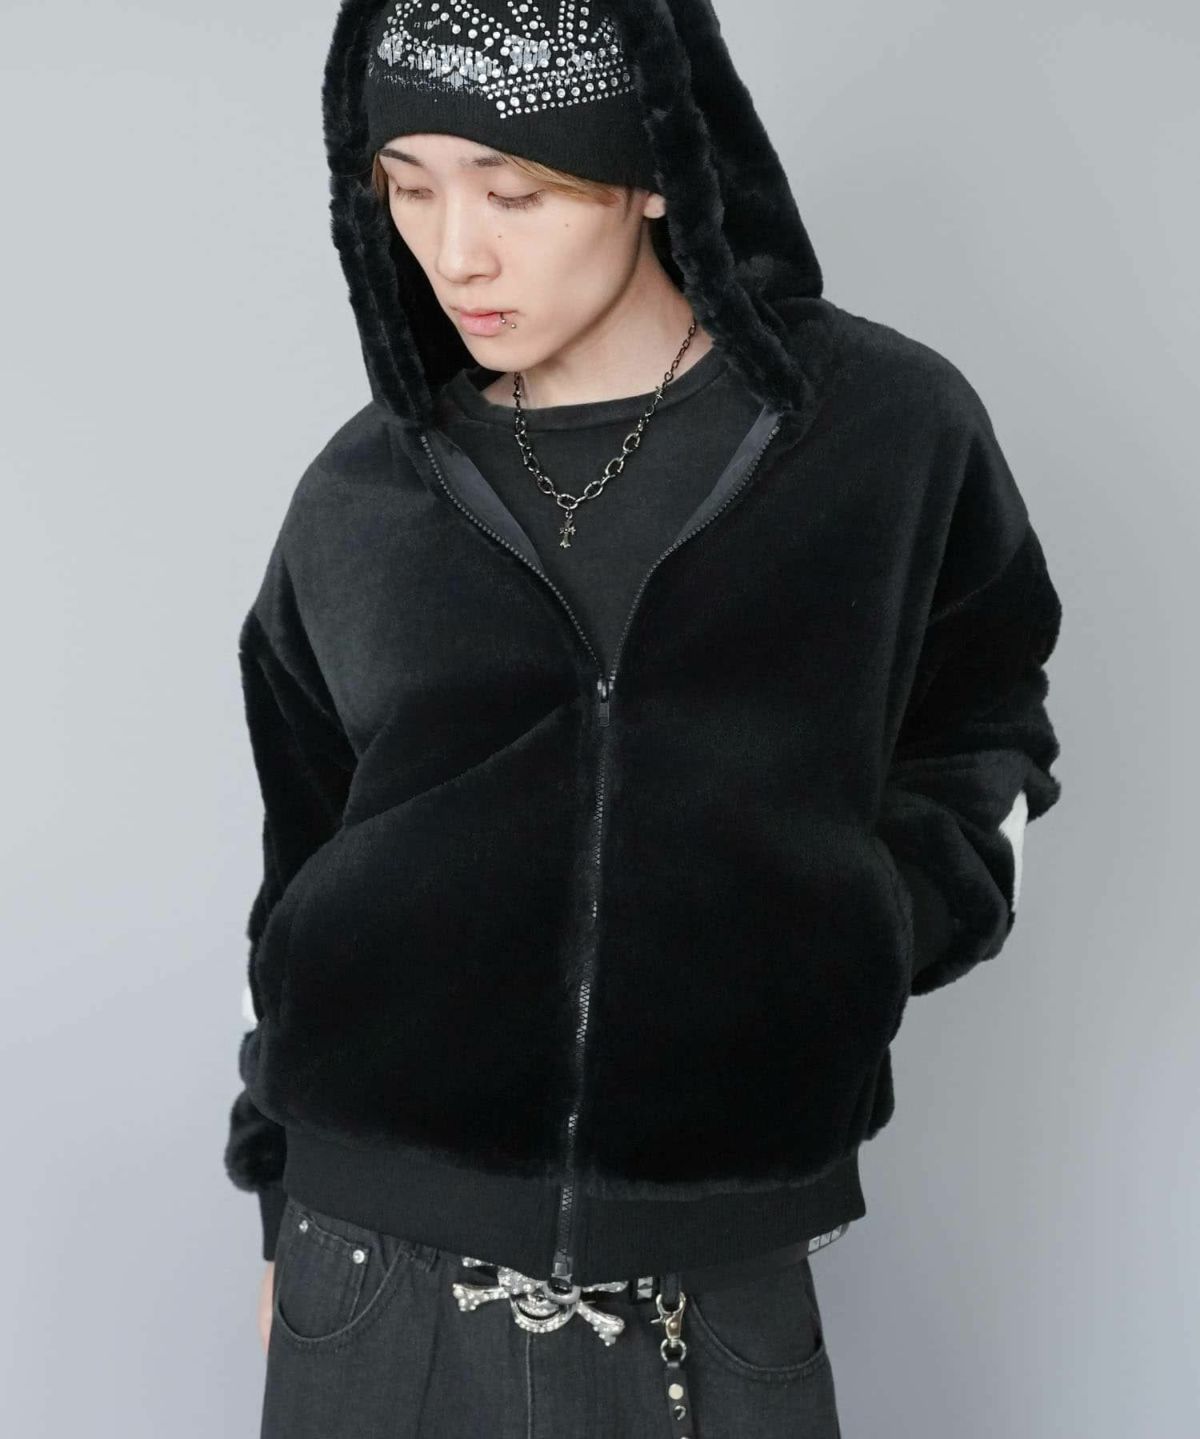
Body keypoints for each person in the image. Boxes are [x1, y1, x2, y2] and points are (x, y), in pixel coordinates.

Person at [222, 1, 1065, 1435]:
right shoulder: (362, 494)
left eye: (515, 192)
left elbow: (985, 723)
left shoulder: (884, 434)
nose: (455, 252)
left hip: (712, 1273)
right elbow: (295, 869)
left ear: (656, 170)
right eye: (408, 188)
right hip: (363, 1266)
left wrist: (871, 925)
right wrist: (274, 1198)